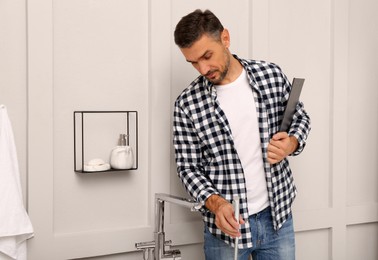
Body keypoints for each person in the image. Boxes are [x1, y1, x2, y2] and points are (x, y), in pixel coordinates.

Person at [172, 9, 311, 260]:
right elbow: (188, 167)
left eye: (206, 56)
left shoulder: (270, 75)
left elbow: (300, 118)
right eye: (193, 62)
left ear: (225, 38)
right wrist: (217, 203)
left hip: (277, 218)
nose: (203, 69)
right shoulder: (186, 104)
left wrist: (291, 142)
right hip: (225, 229)